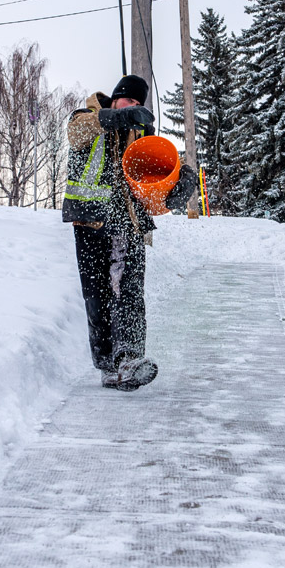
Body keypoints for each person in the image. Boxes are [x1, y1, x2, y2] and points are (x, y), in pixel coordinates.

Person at [61, 74, 196, 392]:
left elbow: (153, 183)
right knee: (98, 298)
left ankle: (130, 360)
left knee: (129, 293)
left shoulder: (141, 135)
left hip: (128, 224)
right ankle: (109, 366)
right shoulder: (87, 117)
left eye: (138, 103)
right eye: (128, 101)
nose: (133, 106)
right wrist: (115, 118)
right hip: (91, 222)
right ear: (115, 98)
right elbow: (75, 134)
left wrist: (178, 182)